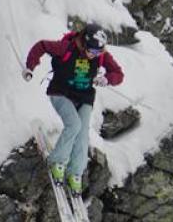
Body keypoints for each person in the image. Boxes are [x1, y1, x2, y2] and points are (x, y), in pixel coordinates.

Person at [23, 23, 124, 195]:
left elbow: (118, 74)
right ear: (83, 43)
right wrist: (30, 66)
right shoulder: (66, 48)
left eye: (98, 53)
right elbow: (42, 46)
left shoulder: (100, 55)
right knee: (74, 125)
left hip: (84, 97)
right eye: (92, 51)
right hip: (61, 93)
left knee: (83, 132)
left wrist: (107, 79)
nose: (94, 56)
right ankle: (57, 161)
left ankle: (75, 173)